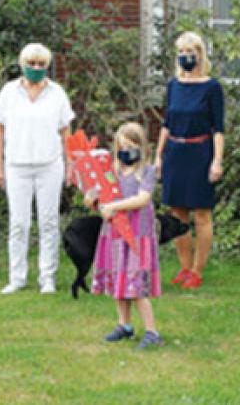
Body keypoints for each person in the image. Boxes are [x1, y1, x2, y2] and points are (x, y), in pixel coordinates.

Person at [0, 43, 75, 295]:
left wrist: (70, 164)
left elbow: (65, 131)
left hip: (50, 165)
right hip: (16, 165)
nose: (36, 68)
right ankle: (17, 277)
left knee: (49, 222)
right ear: (22, 65)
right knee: (19, 223)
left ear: (47, 66)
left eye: (41, 64)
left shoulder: (57, 93)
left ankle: (47, 277)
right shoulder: (8, 92)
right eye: (32, 64)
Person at [154, 31, 224, 290]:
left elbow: (218, 128)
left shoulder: (211, 87)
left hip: (200, 153)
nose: (186, 57)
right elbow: (167, 123)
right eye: (181, 53)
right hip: (175, 153)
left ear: (200, 54)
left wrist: (217, 160)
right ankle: (184, 268)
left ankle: (198, 270)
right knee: (177, 213)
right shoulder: (174, 85)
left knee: (202, 215)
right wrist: (158, 157)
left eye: (190, 52)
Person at [88, 122, 163, 350]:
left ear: (142, 147)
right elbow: (99, 198)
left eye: (131, 146)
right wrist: (94, 200)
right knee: (118, 280)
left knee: (136, 284)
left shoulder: (148, 172)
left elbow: (142, 199)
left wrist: (115, 206)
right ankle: (124, 325)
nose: (126, 151)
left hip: (137, 236)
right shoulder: (112, 173)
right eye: (122, 146)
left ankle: (152, 332)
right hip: (115, 235)